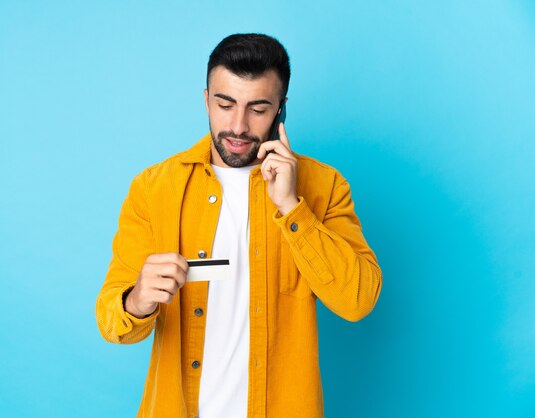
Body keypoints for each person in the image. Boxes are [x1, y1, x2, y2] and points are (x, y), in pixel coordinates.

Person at [95, 33, 382, 418]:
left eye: (258, 109)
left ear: (281, 109)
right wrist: (138, 300)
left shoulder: (324, 187)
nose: (238, 125)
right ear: (206, 100)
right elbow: (112, 324)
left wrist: (292, 208)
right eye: (224, 104)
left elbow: (358, 301)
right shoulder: (154, 188)